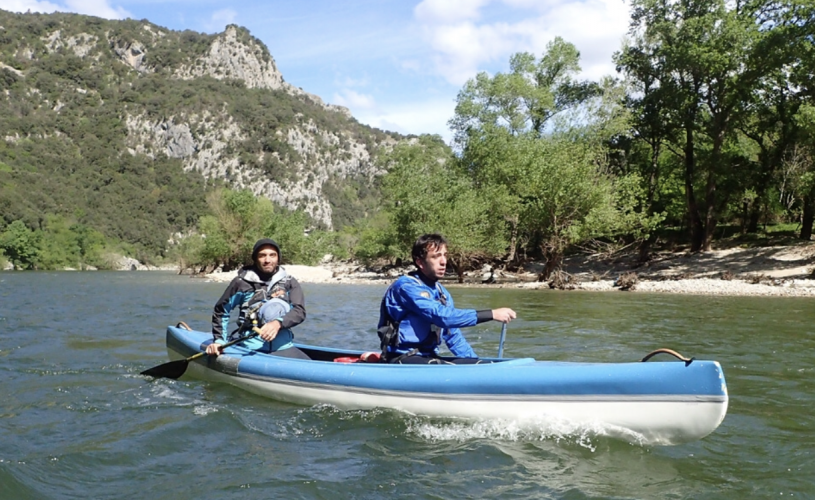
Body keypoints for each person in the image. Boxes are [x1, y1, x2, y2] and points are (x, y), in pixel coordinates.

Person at [377, 233, 516, 364]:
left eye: (444, 255)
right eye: (436, 256)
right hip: (402, 358)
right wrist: (491, 314)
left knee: (474, 362)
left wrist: (476, 363)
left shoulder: (442, 293)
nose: (443, 261)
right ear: (420, 262)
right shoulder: (406, 287)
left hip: (429, 357)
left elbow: (453, 337)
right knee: (435, 363)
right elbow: (442, 317)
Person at [205, 238, 310, 359]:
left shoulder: (289, 282)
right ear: (255, 258)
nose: (267, 260)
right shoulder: (241, 283)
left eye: (272, 255)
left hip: (284, 346)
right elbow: (221, 310)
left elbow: (299, 312)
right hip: (251, 348)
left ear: (278, 258)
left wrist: (277, 323)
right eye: (262, 255)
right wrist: (219, 341)